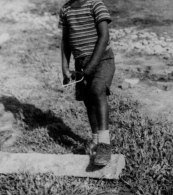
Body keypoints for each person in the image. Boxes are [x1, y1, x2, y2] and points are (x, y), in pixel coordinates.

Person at [58, 0, 115, 166]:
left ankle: (104, 144)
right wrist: (65, 68)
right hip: (80, 63)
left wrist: (90, 67)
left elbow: (104, 37)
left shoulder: (95, 5)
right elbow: (65, 40)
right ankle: (96, 139)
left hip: (102, 59)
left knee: (97, 90)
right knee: (89, 100)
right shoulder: (66, 9)